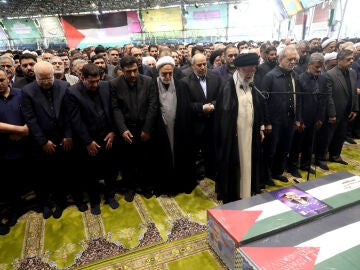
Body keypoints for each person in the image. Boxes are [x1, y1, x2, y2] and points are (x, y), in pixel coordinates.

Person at [21, 61, 74, 219]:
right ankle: (45, 203)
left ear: (54, 74)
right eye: (42, 79)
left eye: (49, 78)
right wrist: (43, 141)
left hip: (64, 139)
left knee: (62, 173)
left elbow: (70, 114)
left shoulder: (64, 86)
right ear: (36, 77)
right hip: (42, 142)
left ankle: (61, 201)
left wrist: (68, 135)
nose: (46, 82)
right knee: (44, 175)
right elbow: (30, 119)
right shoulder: (27, 91)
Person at [66, 63, 120, 215]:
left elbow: (114, 110)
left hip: (108, 136)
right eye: (91, 82)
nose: (95, 85)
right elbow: (75, 120)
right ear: (82, 78)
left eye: (97, 81)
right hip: (88, 140)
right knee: (90, 173)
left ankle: (110, 196)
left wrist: (113, 131)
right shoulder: (72, 93)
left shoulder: (106, 86)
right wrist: (87, 141)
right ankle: (95, 201)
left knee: (111, 170)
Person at [214, 53, 265, 203]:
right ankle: (234, 195)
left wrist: (260, 127)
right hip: (234, 138)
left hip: (250, 134)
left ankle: (247, 192)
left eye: (253, 71)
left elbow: (258, 108)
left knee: (249, 164)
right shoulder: (227, 87)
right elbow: (223, 118)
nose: (250, 74)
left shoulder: (253, 85)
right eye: (247, 71)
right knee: (236, 165)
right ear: (238, 69)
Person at [110, 55, 158, 202]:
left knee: (146, 160)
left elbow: (153, 105)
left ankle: (145, 187)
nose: (132, 75)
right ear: (122, 70)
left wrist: (147, 129)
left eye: (135, 70)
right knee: (127, 162)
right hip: (126, 130)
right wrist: (122, 129)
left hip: (145, 128)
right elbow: (115, 108)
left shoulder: (148, 81)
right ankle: (130, 188)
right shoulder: (114, 84)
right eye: (128, 71)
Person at [151, 56, 196, 195]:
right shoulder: (152, 85)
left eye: (170, 73)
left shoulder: (181, 85)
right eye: (164, 73)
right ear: (158, 72)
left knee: (180, 155)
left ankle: (181, 184)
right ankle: (165, 186)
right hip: (160, 130)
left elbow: (186, 108)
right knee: (163, 158)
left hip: (179, 128)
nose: (168, 76)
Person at [262, 46, 301, 184]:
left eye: (295, 59)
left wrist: (297, 119)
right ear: (280, 59)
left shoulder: (294, 75)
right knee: (271, 150)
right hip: (275, 120)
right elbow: (264, 102)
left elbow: (298, 98)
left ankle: (278, 172)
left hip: (290, 119)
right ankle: (266, 176)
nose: (293, 62)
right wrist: (267, 122)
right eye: (289, 59)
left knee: (284, 149)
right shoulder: (270, 77)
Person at [182, 53, 221, 181]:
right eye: (199, 65)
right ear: (193, 66)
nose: (203, 67)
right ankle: (194, 175)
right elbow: (186, 104)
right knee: (194, 152)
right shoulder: (185, 82)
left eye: (204, 64)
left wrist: (213, 106)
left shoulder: (215, 78)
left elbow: (220, 98)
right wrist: (202, 108)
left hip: (213, 121)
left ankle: (211, 171)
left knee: (212, 150)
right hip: (196, 123)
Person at [287, 53, 328, 176]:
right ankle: (292, 167)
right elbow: (298, 101)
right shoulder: (300, 79)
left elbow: (323, 100)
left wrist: (320, 117)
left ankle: (305, 164)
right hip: (302, 118)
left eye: (321, 67)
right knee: (297, 144)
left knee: (310, 143)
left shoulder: (322, 79)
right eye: (316, 67)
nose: (319, 70)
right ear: (309, 65)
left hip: (315, 118)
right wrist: (299, 119)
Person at [0, 68, 30, 235]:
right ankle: (14, 209)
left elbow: (31, 113)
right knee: (9, 184)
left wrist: (26, 129)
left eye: (1, 79)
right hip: (5, 149)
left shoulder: (21, 93)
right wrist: (19, 129)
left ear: (8, 78)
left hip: (26, 145)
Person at [326, 49, 359, 165]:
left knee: (340, 136)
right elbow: (328, 96)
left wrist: (355, 108)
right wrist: (332, 113)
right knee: (328, 137)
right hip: (334, 111)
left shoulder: (352, 73)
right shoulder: (330, 74)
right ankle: (321, 158)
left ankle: (335, 156)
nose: (351, 61)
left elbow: (354, 92)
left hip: (347, 111)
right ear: (339, 60)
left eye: (352, 59)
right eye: (348, 59)